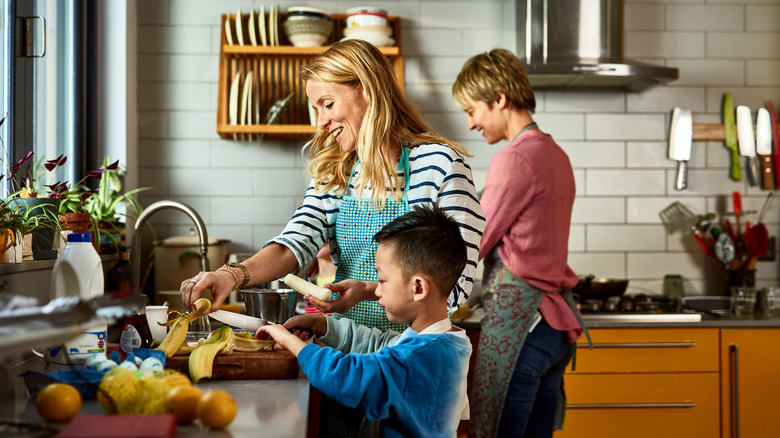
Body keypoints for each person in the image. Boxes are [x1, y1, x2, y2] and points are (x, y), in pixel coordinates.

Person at [181, 39, 484, 436]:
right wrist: (230, 276)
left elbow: (455, 283)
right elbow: (296, 242)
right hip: (344, 358)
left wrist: (369, 289)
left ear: (367, 90)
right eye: (316, 109)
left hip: (416, 368)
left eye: (327, 104)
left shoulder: (442, 165)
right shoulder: (337, 171)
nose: (320, 122)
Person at [451, 48, 588, 438]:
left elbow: (473, 238)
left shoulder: (515, 159)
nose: (471, 122)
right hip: (554, 329)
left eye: (472, 109)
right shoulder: (555, 153)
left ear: (499, 99)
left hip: (523, 326)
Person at [257, 205, 472, 437]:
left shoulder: (416, 358)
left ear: (418, 287)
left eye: (382, 280)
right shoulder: (445, 342)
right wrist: (323, 327)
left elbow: (347, 376)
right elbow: (377, 344)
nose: (376, 291)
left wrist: (290, 342)